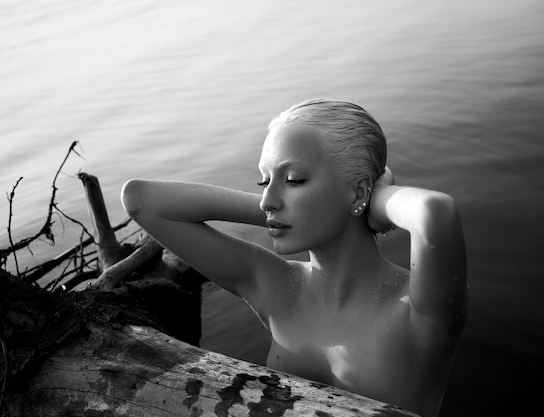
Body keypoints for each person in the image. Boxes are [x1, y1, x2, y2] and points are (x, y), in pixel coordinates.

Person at [121, 98, 468, 417]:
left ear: (361, 189)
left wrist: (374, 201)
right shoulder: (275, 284)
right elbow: (141, 200)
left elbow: (435, 212)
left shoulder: (418, 310)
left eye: (293, 179)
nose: (266, 199)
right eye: (264, 181)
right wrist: (291, 213)